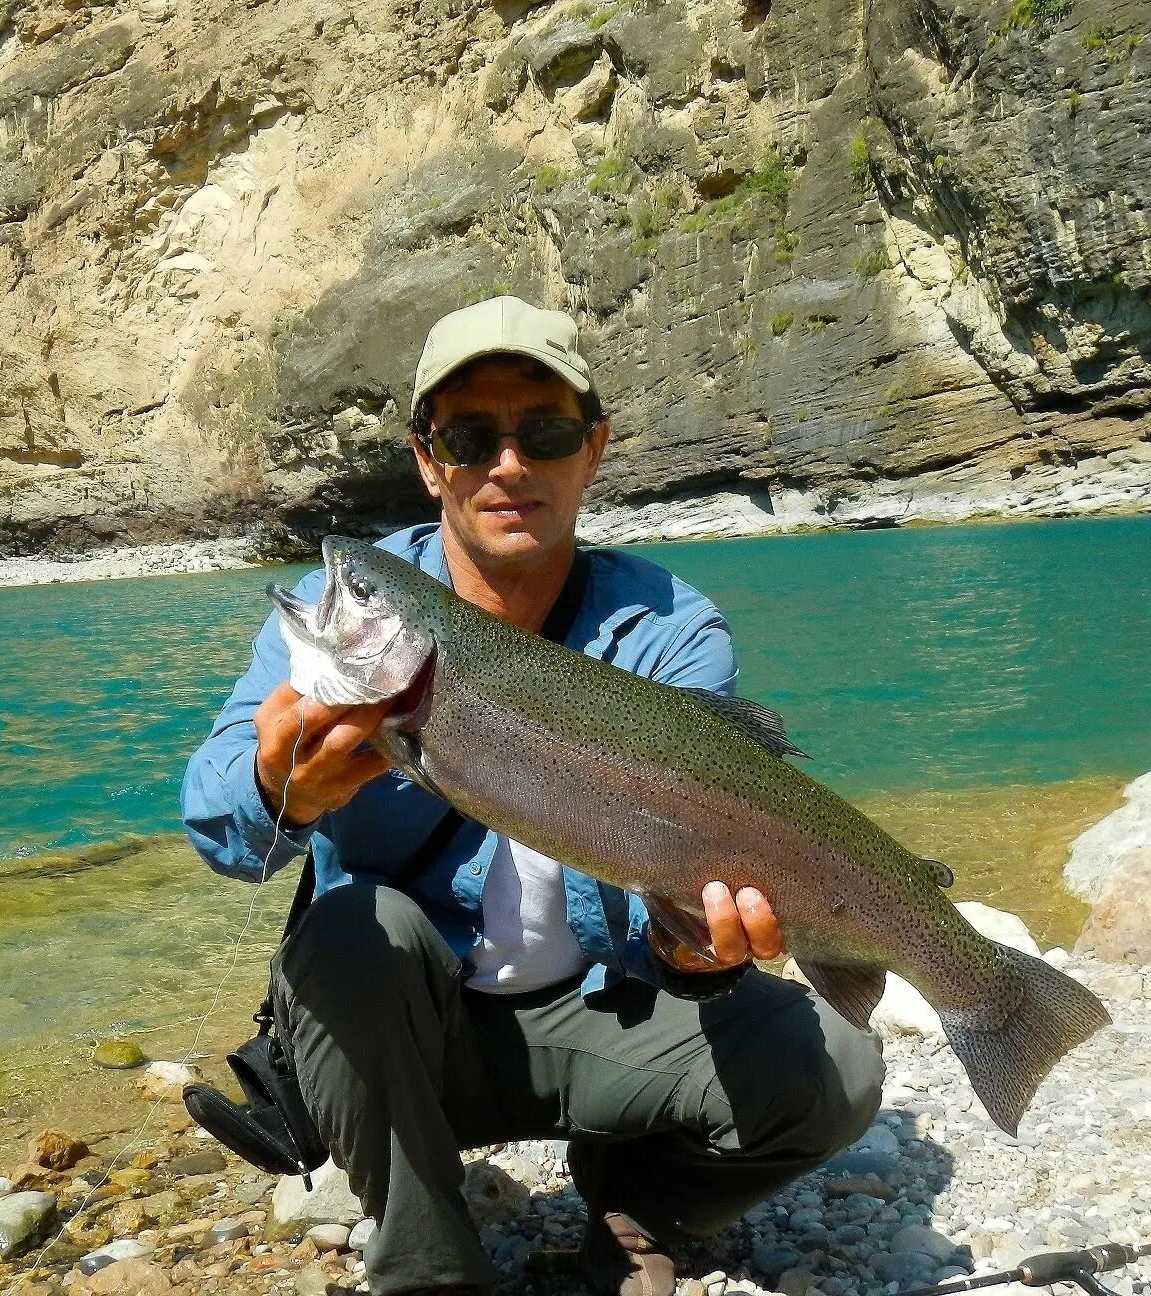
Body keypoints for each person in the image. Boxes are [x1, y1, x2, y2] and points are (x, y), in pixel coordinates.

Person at [181, 296, 882, 1296]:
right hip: (418, 1052)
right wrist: (278, 788)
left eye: (543, 432)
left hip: (613, 1022)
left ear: (591, 451)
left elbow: (680, 922)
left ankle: (634, 1212)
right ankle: (431, 1269)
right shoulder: (352, 618)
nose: (508, 464)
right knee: (347, 933)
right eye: (471, 436)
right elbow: (215, 828)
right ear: (429, 460)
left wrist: (699, 946)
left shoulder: (671, 626)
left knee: (837, 1067)